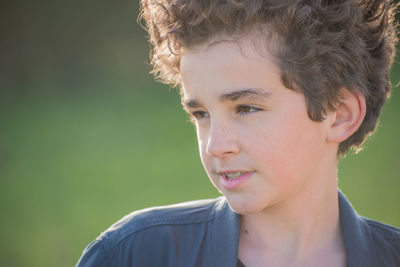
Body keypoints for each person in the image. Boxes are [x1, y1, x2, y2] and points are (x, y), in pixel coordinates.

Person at [76, 0, 400, 266]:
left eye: (246, 108)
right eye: (201, 114)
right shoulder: (133, 255)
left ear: (340, 114)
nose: (216, 146)